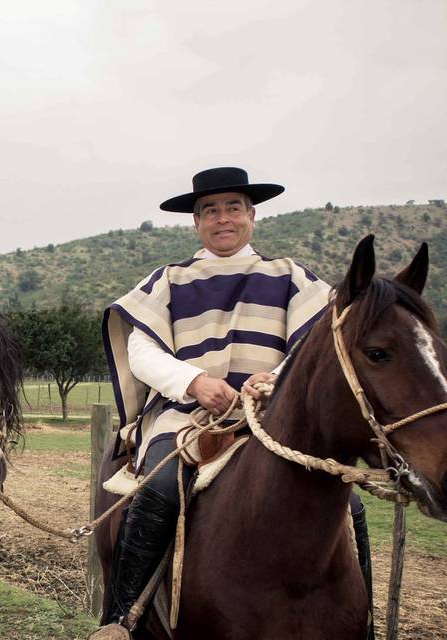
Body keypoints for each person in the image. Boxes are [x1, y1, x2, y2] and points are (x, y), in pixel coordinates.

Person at [94, 167, 373, 639]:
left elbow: (319, 346)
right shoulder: (169, 280)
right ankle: (122, 619)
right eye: (210, 211)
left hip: (274, 418)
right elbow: (141, 352)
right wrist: (195, 381)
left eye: (233, 208)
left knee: (352, 505)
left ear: (252, 215)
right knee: (160, 487)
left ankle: (359, 624)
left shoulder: (291, 277)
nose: (222, 219)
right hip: (186, 417)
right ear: (197, 222)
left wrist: (276, 379)